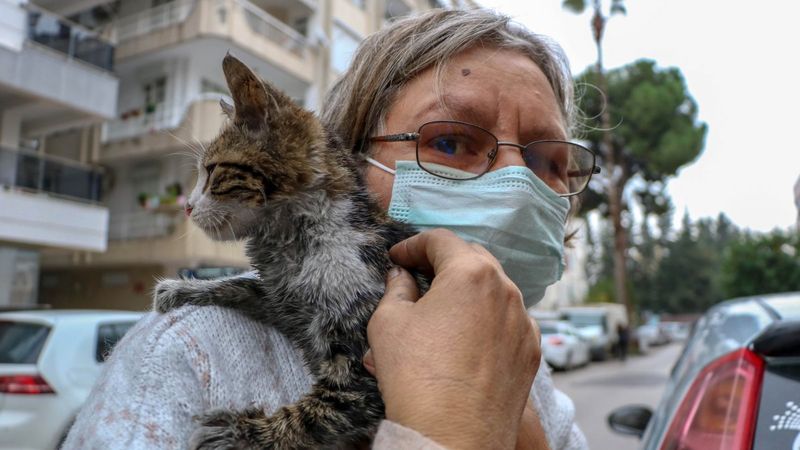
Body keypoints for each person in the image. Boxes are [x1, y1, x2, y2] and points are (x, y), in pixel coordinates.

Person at [64, 9, 590, 450]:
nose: (516, 183)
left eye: (550, 159)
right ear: (352, 160)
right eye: (449, 142)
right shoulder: (189, 359)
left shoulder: (533, 374)